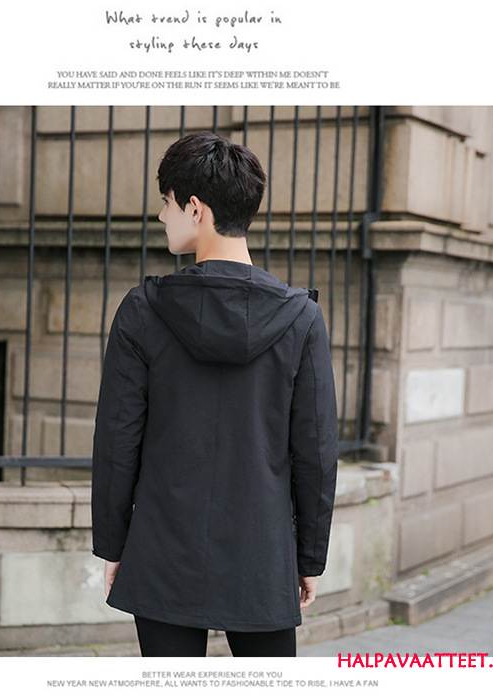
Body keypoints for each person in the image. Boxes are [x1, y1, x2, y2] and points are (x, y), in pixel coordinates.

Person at [91, 130, 339, 657]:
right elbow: (315, 451)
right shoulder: (300, 319)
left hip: (161, 552)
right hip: (263, 556)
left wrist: (114, 545)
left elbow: (117, 441)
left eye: (167, 202)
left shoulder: (142, 311)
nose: (162, 215)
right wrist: (309, 557)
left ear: (195, 208)